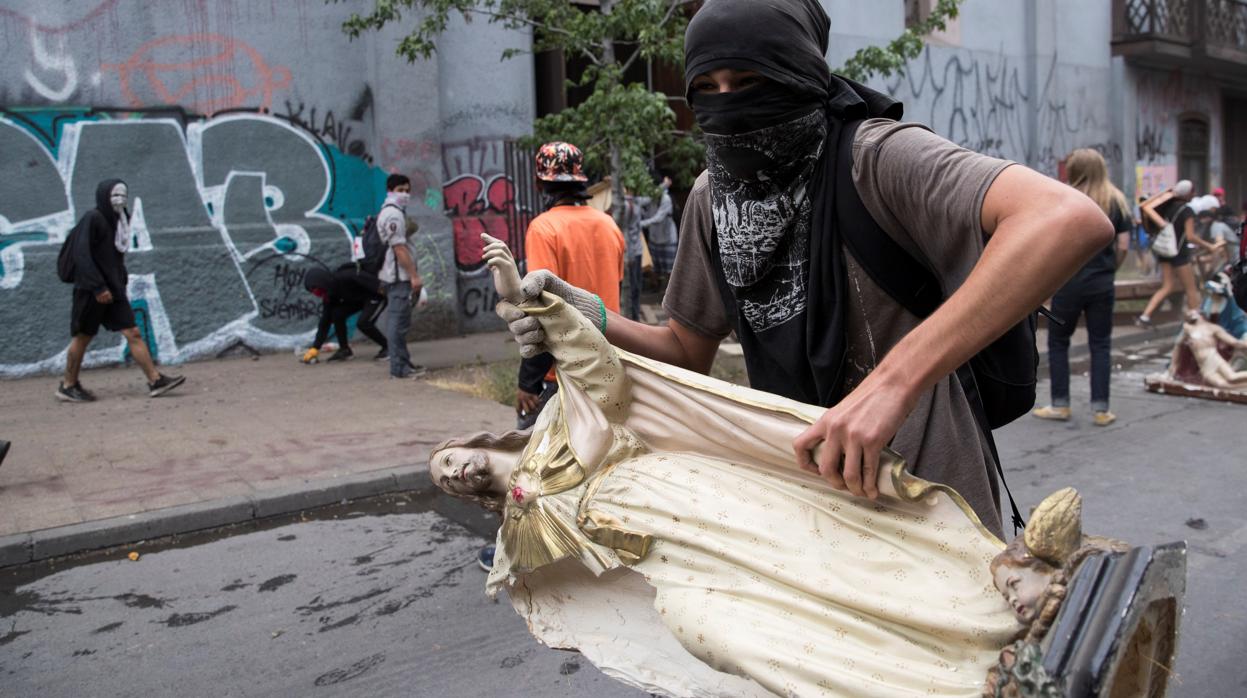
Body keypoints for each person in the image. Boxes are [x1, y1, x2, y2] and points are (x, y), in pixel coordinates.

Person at [431, 238, 1166, 697]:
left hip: (698, 495)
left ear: (483, 443)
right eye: (449, 482)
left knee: (840, 562)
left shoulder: (563, 430)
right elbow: (570, 593)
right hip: (671, 563)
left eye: (452, 459)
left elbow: (605, 374)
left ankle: (1012, 597)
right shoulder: (520, 539)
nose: (455, 475)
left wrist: (555, 316)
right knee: (718, 633)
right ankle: (941, 687)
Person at [497, 0, 1110, 537]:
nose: (727, 104)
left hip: (931, 502)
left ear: (799, 76)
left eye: (750, 80)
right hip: (800, 497)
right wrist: (587, 317)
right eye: (706, 88)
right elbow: (686, 349)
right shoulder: (714, 201)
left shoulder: (877, 158)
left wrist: (893, 382)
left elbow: (1066, 219)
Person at [57, 179, 184, 402]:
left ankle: (155, 380)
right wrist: (98, 286)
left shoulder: (119, 221)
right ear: (104, 196)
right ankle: (68, 385)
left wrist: (118, 281)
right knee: (83, 337)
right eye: (114, 195)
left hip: (113, 291)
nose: (120, 199)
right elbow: (82, 255)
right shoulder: (93, 218)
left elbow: (113, 257)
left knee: (132, 332)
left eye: (123, 194)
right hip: (91, 291)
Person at [1031, 149, 1131, 427]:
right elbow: (1123, 245)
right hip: (1102, 283)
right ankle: (1101, 409)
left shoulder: (1065, 199)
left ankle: (1060, 404)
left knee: (1058, 341)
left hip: (1069, 282)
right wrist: (1111, 268)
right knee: (1100, 344)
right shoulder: (1117, 201)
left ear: (1074, 171)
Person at [376, 174, 425, 379]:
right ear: (390, 190)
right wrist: (413, 275)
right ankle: (399, 368)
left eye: (407, 190)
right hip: (398, 277)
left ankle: (404, 363)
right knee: (397, 323)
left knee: (401, 322)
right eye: (401, 190)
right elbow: (399, 249)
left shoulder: (392, 211)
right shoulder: (393, 215)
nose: (405, 194)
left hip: (395, 276)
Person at [1138, 180, 1201, 325]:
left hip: (1164, 251)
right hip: (1179, 253)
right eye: (1193, 191)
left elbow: (1148, 211)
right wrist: (1208, 245)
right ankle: (1196, 320)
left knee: (1167, 286)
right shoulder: (1187, 211)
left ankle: (1145, 316)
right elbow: (1191, 236)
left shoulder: (1166, 208)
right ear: (1187, 194)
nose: (1194, 194)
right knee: (1191, 288)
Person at [299, 264, 387, 363]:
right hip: (360, 301)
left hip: (375, 296)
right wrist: (315, 348)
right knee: (337, 314)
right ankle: (345, 350)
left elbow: (376, 284)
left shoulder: (346, 276)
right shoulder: (329, 294)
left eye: (316, 289)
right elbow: (325, 321)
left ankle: (389, 348)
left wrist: (391, 295)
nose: (317, 294)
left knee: (363, 323)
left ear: (322, 282)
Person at [640, 175, 678, 281]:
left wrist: (639, 224)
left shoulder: (666, 199)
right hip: (655, 238)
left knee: (670, 270)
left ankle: (671, 292)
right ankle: (655, 286)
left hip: (668, 238)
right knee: (655, 267)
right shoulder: (651, 197)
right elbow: (639, 201)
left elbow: (658, 218)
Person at [620, 190, 648, 321]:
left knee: (636, 286)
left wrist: (663, 187)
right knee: (632, 286)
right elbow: (626, 231)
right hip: (631, 252)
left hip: (636, 250)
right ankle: (632, 317)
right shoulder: (626, 205)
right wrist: (629, 255)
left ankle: (635, 315)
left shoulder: (635, 201)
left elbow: (651, 197)